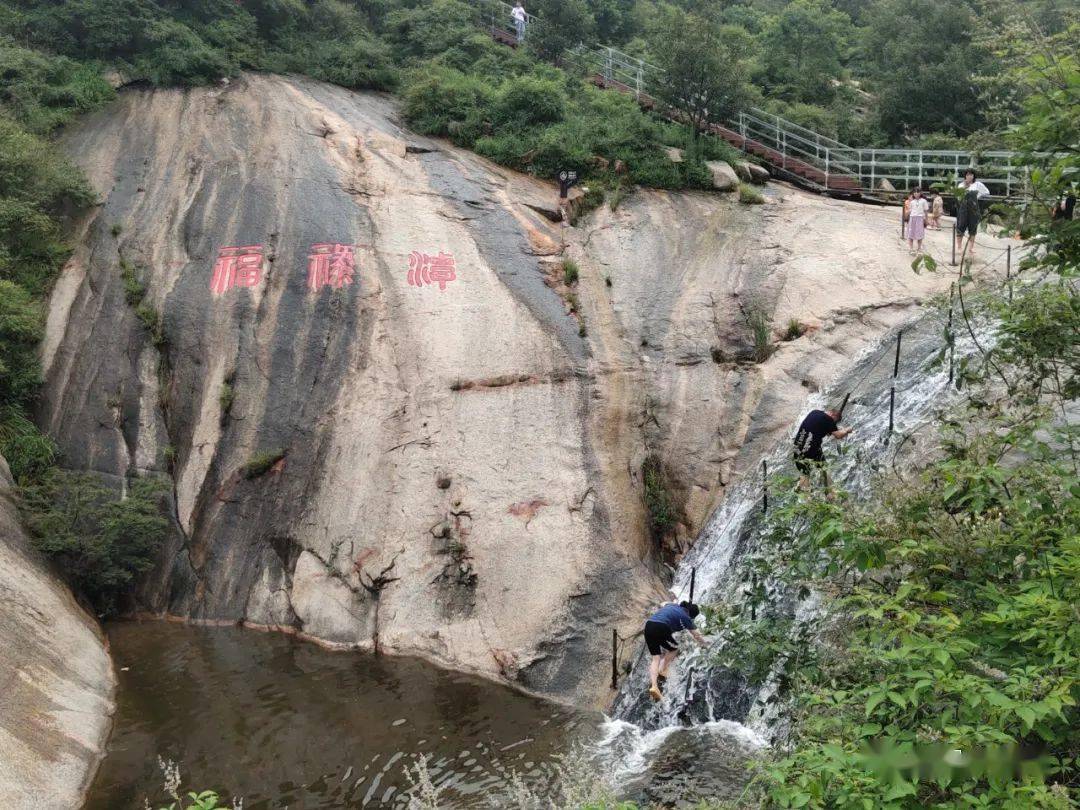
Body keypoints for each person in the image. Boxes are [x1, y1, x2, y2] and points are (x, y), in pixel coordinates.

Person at [644, 601, 706, 702]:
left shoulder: (672, 605)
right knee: (674, 649)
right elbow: (697, 635)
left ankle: (654, 686)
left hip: (649, 625)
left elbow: (663, 604)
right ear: (691, 615)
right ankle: (663, 669)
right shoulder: (686, 618)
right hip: (661, 627)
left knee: (656, 658)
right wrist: (706, 645)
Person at [793, 408, 852, 490]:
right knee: (824, 469)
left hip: (797, 449)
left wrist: (833, 428)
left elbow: (820, 428)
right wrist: (847, 430)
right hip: (811, 451)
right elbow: (838, 435)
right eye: (834, 421)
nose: (834, 423)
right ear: (833, 415)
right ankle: (831, 494)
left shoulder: (815, 412)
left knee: (805, 474)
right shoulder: (829, 420)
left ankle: (803, 496)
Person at [955, 170, 990, 260]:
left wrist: (978, 197)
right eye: (967, 175)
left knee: (973, 228)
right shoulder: (961, 185)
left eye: (971, 174)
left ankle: (971, 248)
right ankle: (959, 247)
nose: (969, 176)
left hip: (974, 209)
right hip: (963, 208)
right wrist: (965, 188)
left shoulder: (978, 184)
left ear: (974, 176)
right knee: (961, 226)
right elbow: (958, 197)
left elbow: (987, 192)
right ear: (965, 176)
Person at [907, 188, 929, 254]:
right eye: (915, 192)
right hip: (912, 218)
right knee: (911, 233)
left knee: (919, 233)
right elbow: (910, 211)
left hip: (920, 218)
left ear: (920, 193)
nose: (916, 193)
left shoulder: (924, 201)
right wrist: (907, 218)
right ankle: (911, 248)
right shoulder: (912, 201)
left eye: (918, 192)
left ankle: (919, 248)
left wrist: (926, 220)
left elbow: (925, 211)